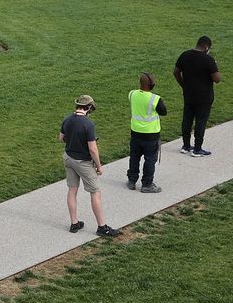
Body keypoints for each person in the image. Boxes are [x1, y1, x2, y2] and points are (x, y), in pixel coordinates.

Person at [59, 95, 122, 237]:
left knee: (72, 190)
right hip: (83, 163)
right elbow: (93, 149)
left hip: (68, 158)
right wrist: (99, 166)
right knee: (95, 192)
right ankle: (102, 227)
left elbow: (61, 138)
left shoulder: (67, 119)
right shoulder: (88, 124)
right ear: (89, 108)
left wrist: (73, 141)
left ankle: (74, 223)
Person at [173, 37, 220, 156]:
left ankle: (186, 146)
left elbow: (176, 71)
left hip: (189, 94)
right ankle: (197, 149)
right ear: (206, 47)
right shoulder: (209, 60)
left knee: (187, 120)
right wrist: (215, 65)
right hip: (204, 97)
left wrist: (183, 85)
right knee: (200, 122)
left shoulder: (185, 55)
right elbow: (217, 79)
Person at [126, 72, 168, 193]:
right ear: (151, 85)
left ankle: (131, 181)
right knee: (150, 160)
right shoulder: (155, 99)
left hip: (135, 133)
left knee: (134, 157)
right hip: (151, 135)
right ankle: (147, 184)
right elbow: (163, 112)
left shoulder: (132, 94)